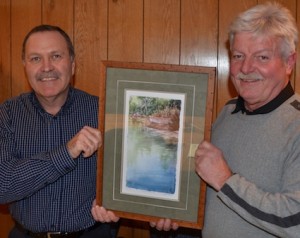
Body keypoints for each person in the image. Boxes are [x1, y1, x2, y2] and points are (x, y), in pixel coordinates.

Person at [0, 24, 119, 238]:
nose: (46, 67)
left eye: (56, 56)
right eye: (35, 58)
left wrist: (115, 202)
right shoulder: (7, 113)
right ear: (25, 66)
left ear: (72, 65)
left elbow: (125, 179)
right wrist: (67, 151)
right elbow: (2, 185)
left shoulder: (103, 111)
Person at [195, 2, 300, 238]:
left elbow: (295, 220)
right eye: (238, 56)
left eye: (262, 57)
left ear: (289, 63)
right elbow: (209, 190)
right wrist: (173, 210)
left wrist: (226, 180)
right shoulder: (228, 112)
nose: (246, 67)